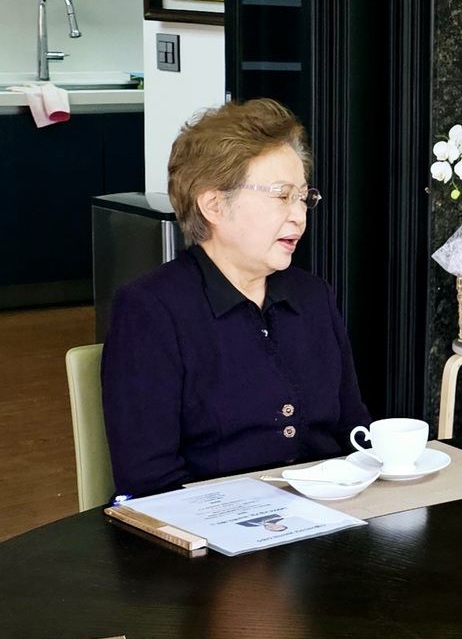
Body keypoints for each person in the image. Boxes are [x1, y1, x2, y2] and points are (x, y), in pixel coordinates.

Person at [101, 98, 371, 497]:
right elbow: (147, 481)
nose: (299, 215)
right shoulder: (151, 310)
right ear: (213, 204)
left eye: (302, 197)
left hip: (327, 525)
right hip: (210, 539)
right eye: (281, 195)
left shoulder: (312, 296)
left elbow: (354, 432)